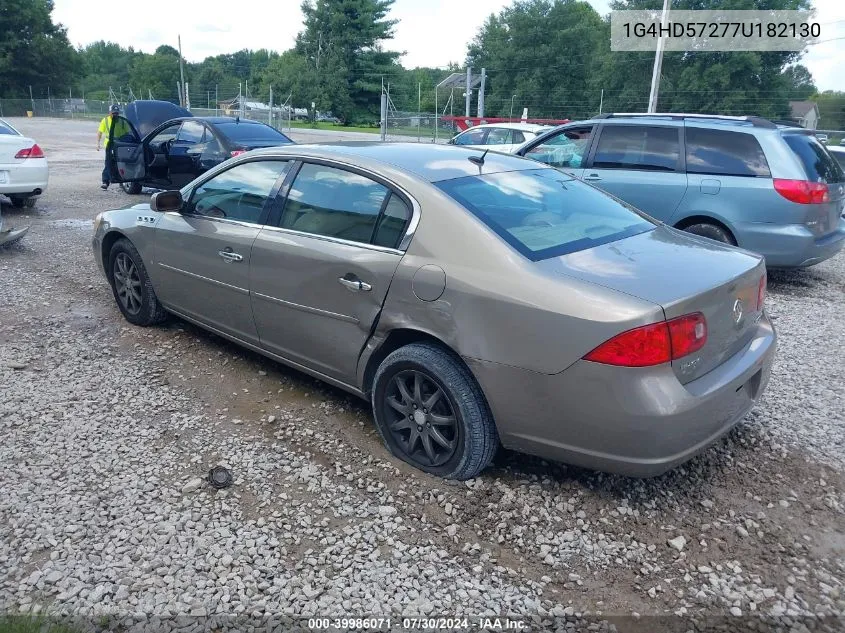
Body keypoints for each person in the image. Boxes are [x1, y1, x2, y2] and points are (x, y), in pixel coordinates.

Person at [96, 104, 131, 190]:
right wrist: (98, 143)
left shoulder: (123, 121)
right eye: (113, 113)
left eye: (116, 113)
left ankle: (121, 181)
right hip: (109, 144)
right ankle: (105, 181)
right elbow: (100, 132)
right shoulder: (105, 121)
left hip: (120, 144)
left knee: (121, 162)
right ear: (109, 112)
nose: (115, 115)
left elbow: (128, 133)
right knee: (108, 163)